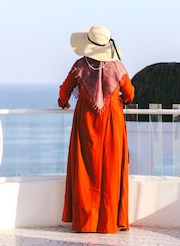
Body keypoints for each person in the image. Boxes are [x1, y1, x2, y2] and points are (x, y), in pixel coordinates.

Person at [58, 25, 135, 233]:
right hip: (112, 122)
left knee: (85, 168)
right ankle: (110, 220)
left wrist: (63, 102)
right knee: (111, 168)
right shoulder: (118, 67)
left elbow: (64, 93)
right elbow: (129, 95)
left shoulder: (79, 66)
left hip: (86, 121)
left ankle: (86, 222)